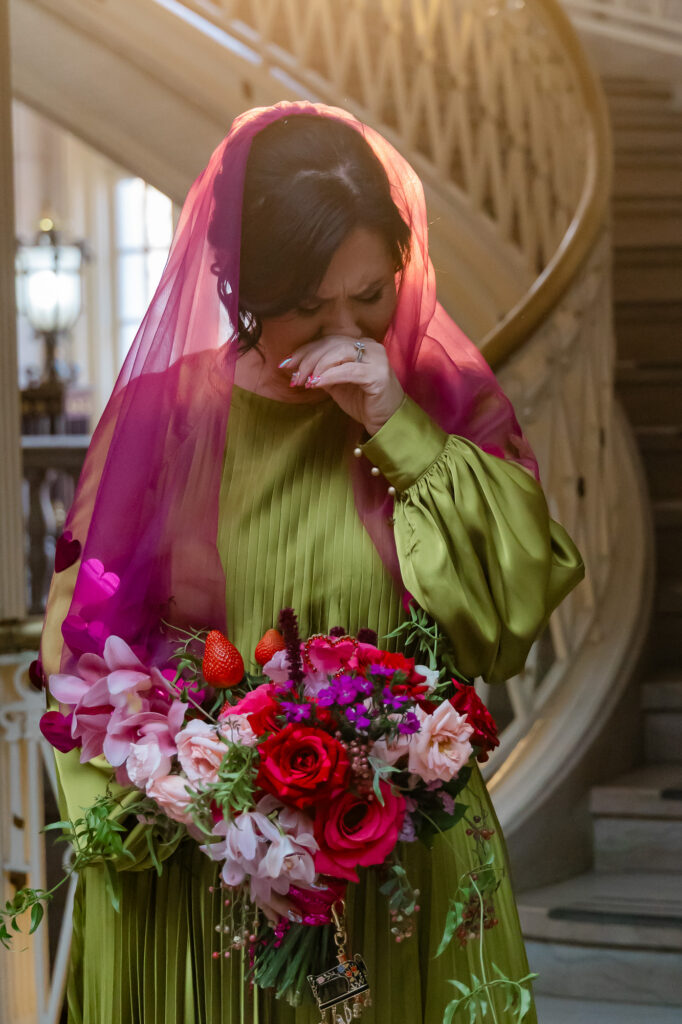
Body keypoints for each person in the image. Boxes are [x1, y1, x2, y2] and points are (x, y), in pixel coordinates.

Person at [40, 102, 583, 1023]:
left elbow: (510, 607)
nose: (346, 329)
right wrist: (219, 817)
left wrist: (395, 425)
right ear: (240, 285)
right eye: (305, 307)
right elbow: (83, 659)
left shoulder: (439, 402)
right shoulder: (166, 420)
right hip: (213, 884)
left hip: (399, 860)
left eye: (369, 296)